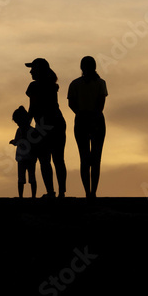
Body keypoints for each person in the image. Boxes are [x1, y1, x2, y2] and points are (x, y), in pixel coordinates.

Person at [24, 58, 67, 198]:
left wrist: (26, 127)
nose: (30, 71)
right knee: (58, 159)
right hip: (56, 123)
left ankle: (52, 193)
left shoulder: (34, 87)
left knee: (45, 160)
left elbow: (32, 108)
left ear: (39, 70)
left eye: (33, 68)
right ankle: (60, 193)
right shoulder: (52, 85)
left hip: (46, 126)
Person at [67, 56, 107, 200]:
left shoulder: (75, 84)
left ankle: (88, 192)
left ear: (81, 67)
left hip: (82, 120)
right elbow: (101, 105)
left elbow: (71, 103)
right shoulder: (101, 83)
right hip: (97, 120)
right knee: (95, 159)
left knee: (84, 159)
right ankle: (93, 192)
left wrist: (80, 113)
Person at [10, 106, 38, 198]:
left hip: (25, 158)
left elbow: (18, 141)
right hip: (26, 158)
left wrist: (14, 142)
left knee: (26, 177)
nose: (17, 124)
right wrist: (14, 142)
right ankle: (26, 196)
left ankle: (25, 196)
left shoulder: (29, 131)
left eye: (18, 122)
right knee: (27, 177)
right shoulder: (30, 130)